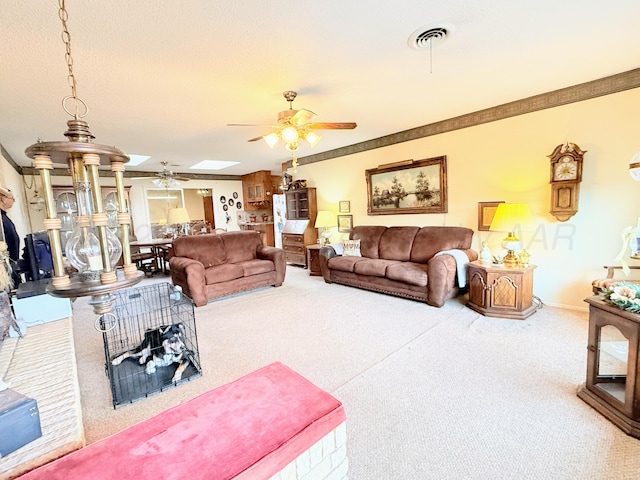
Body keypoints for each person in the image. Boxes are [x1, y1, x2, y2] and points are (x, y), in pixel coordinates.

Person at [0, 187, 21, 288]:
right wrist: (6, 192)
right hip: (6, 266)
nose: (13, 201)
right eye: (12, 198)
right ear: (3, 198)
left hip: (12, 265)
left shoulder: (4, 217)